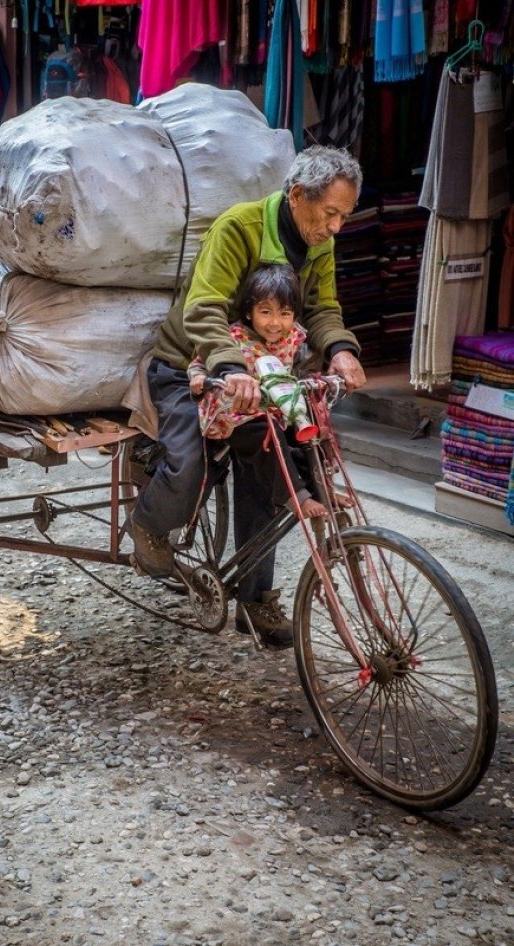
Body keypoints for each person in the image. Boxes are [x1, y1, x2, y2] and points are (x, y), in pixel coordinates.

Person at [131, 145, 366, 647]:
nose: (336, 228)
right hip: (190, 367)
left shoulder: (320, 244)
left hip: (265, 377)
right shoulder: (239, 227)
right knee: (186, 465)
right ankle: (148, 526)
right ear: (298, 195)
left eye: (344, 217)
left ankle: (255, 601)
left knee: (271, 461)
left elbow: (323, 308)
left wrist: (341, 350)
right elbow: (204, 307)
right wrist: (233, 368)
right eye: (330, 214)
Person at [186, 262, 327, 520]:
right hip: (234, 414)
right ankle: (296, 496)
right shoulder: (235, 336)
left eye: (284, 314)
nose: (275, 323)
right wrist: (198, 378)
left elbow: (304, 365)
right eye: (266, 312)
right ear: (250, 312)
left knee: (312, 423)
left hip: (275, 407)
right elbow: (198, 363)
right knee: (265, 431)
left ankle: (322, 488)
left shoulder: (294, 338)